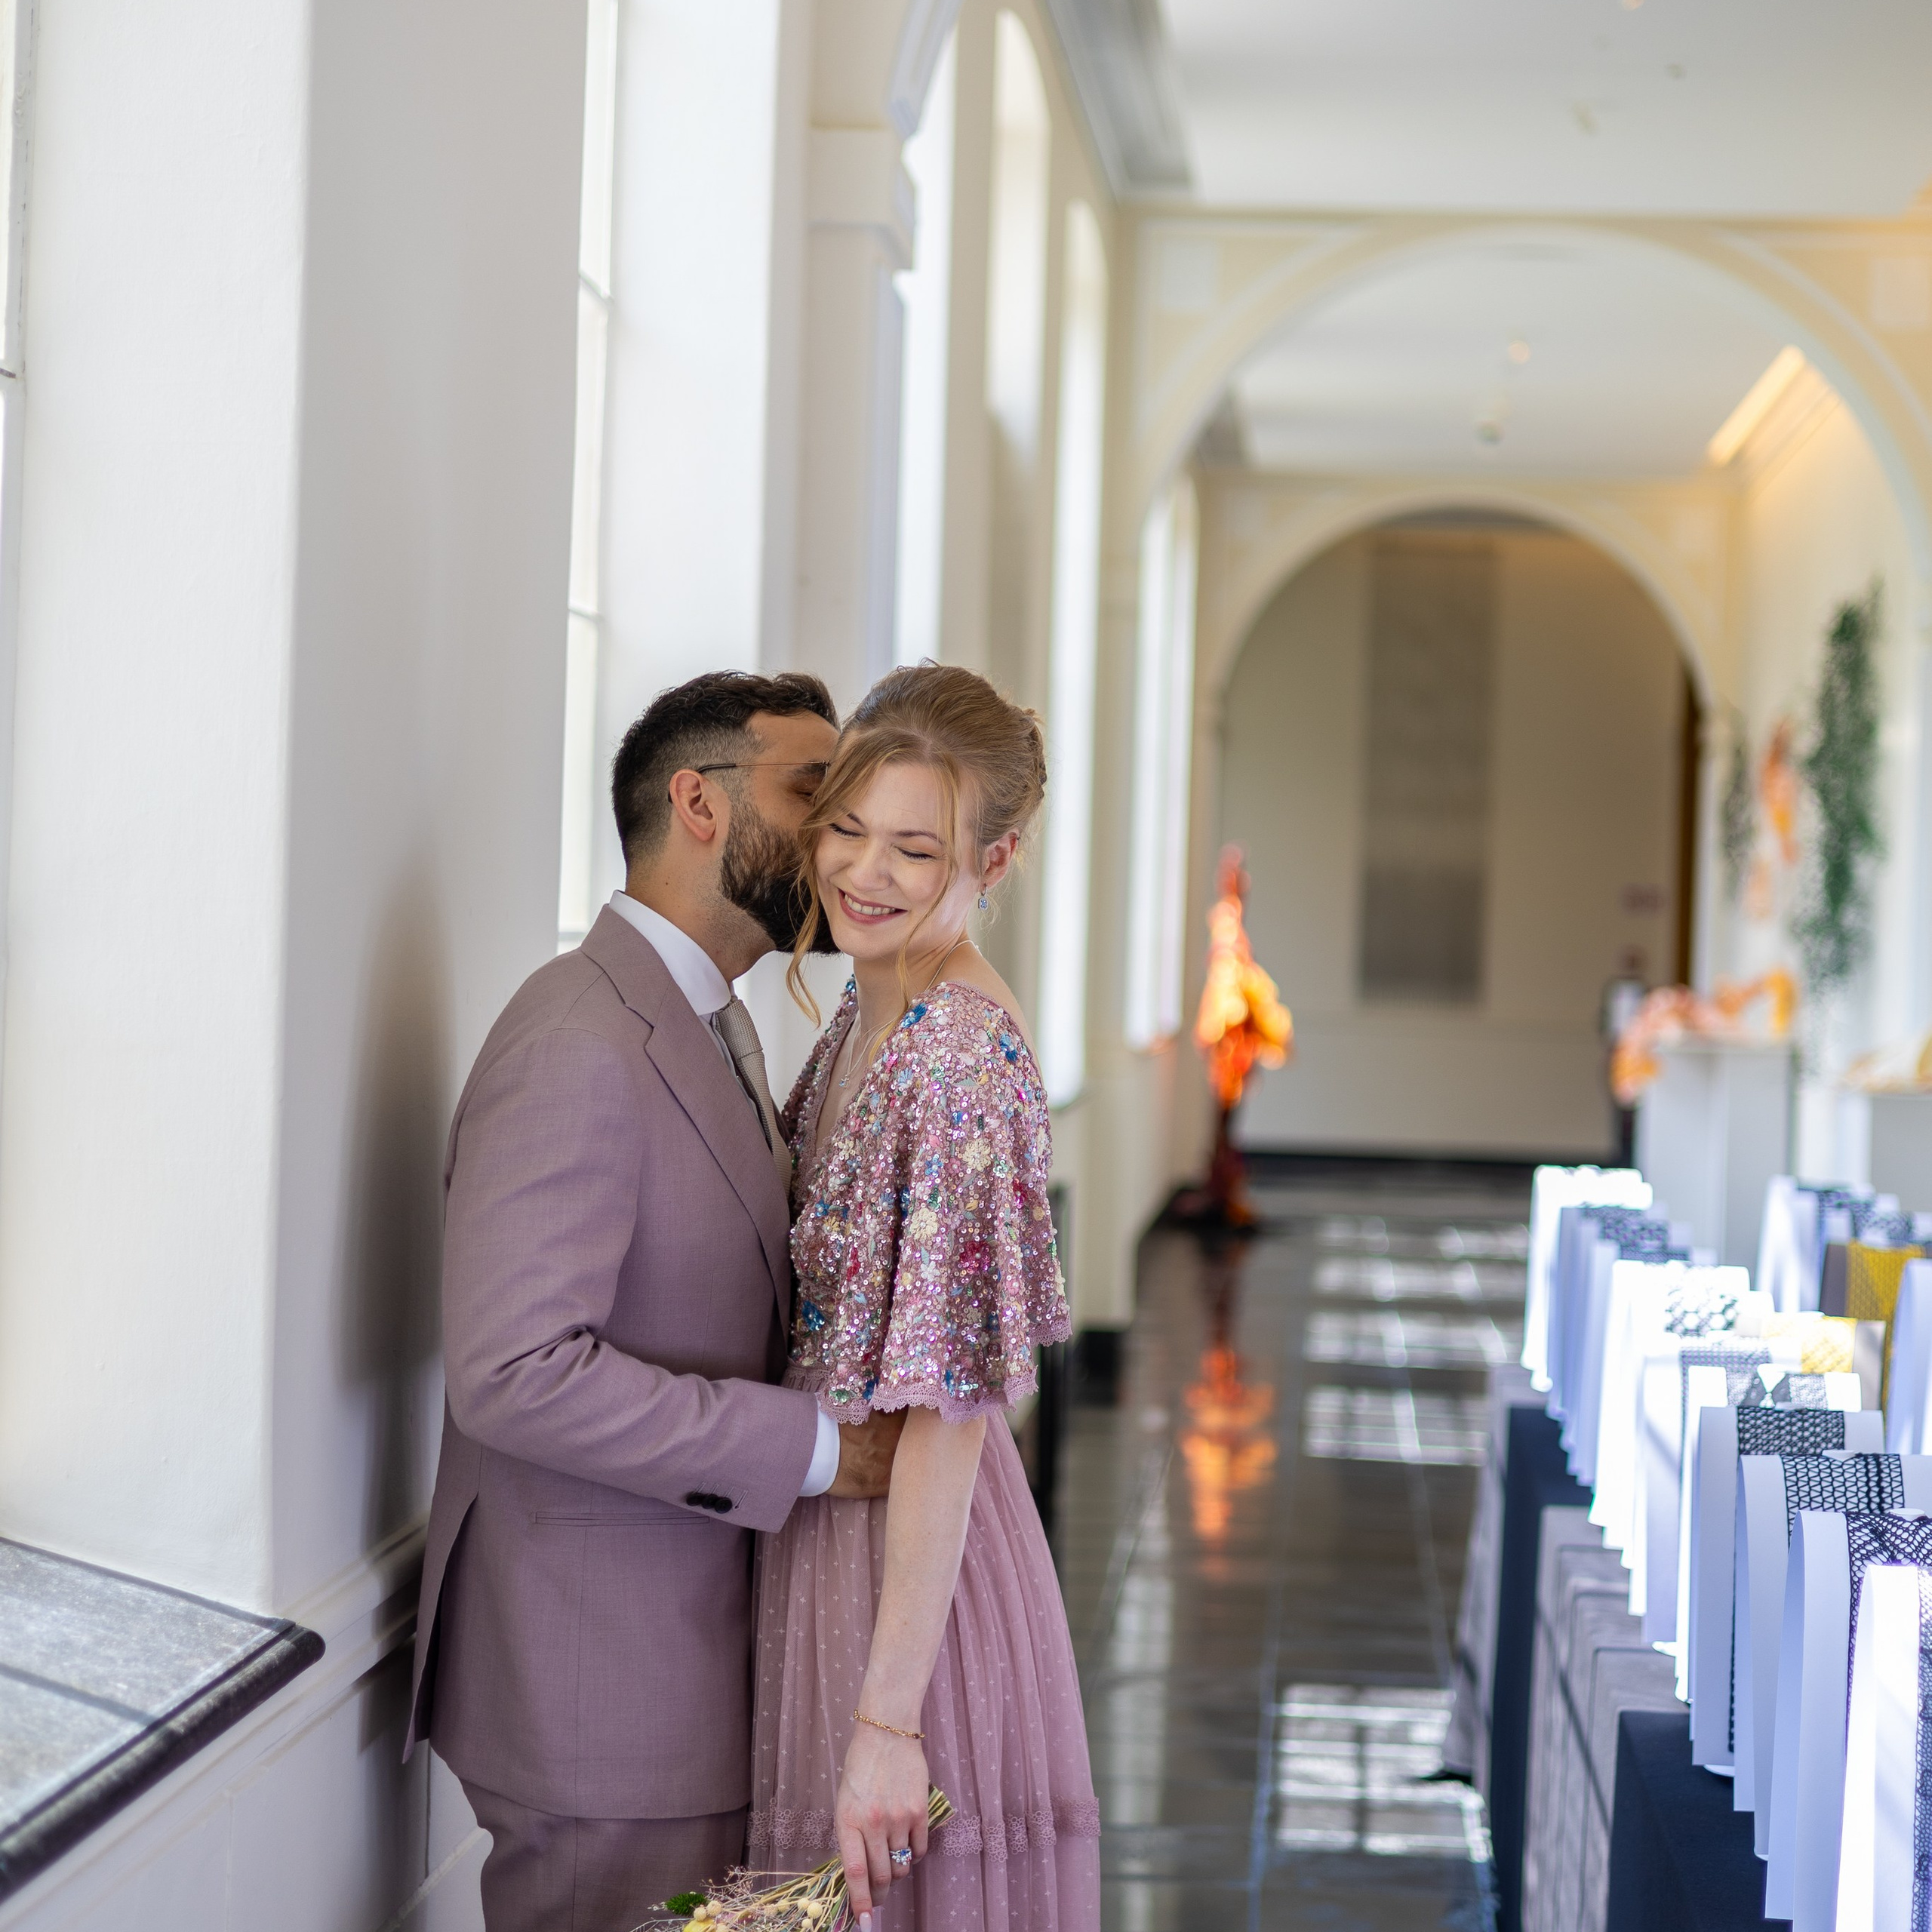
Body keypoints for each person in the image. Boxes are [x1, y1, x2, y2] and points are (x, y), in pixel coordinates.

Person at [405, 670, 906, 1931]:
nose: (842, 833)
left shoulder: (704, 1020)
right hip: (601, 1686)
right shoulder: (580, 1035)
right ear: (697, 802)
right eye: (814, 792)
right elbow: (517, 1371)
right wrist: (820, 1454)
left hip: (675, 1662)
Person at [749, 663, 1100, 1931]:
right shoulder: (870, 998)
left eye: (915, 848)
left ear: (992, 862)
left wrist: (889, 1721)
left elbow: (952, 1415)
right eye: (847, 829)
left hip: (909, 1563)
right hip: (835, 1511)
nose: (864, 873)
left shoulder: (958, 1056)